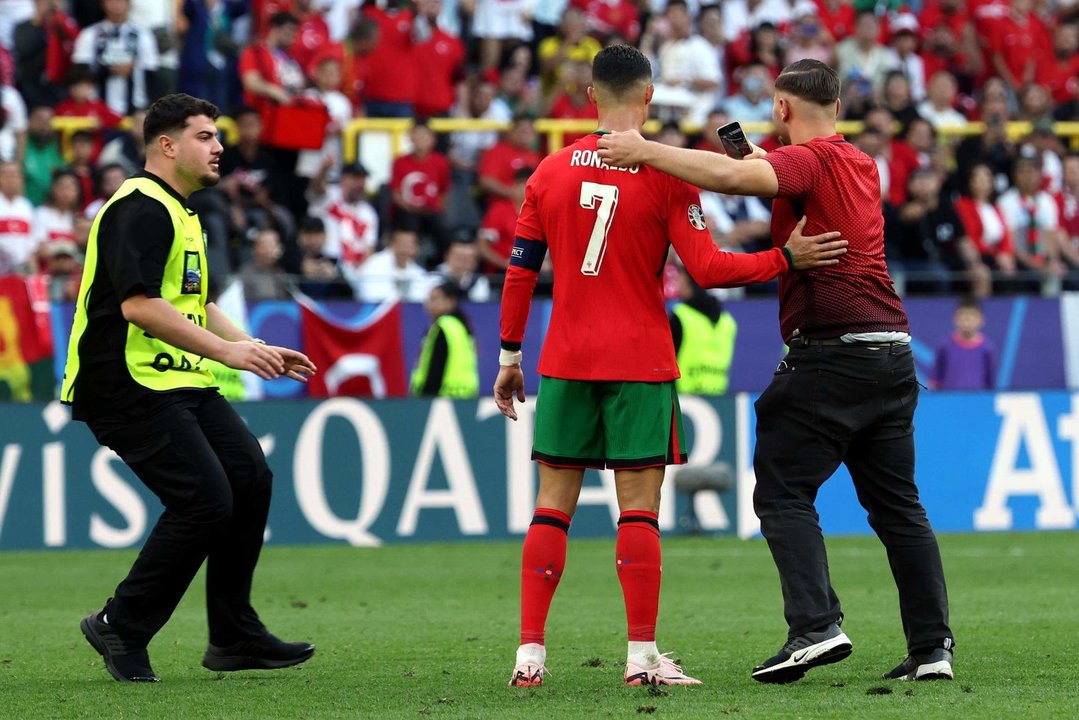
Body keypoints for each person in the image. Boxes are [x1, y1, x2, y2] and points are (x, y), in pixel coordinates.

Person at [494, 45, 847, 689]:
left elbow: (520, 271)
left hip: (567, 359)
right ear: (649, 96)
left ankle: (530, 656)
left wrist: (510, 355)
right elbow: (710, 270)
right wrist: (785, 261)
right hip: (640, 361)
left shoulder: (547, 173)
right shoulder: (667, 173)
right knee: (638, 513)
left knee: (551, 509)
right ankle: (641, 658)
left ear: (591, 96)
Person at [598, 58, 955, 684]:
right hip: (892, 352)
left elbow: (731, 180)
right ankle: (932, 650)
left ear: (783, 108)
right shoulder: (859, 163)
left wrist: (645, 150)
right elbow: (777, 175)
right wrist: (757, 157)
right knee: (901, 510)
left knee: (783, 491)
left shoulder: (806, 161)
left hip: (832, 353)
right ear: (839, 107)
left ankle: (816, 627)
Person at [61, 93, 317, 683]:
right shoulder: (140, 206)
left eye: (217, 135)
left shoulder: (182, 213)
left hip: (173, 379)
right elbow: (139, 306)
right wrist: (229, 353)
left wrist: (252, 344)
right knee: (205, 500)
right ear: (167, 145)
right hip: (124, 380)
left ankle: (233, 635)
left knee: (248, 475)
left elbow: (194, 302)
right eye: (205, 136)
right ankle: (120, 623)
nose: (219, 146)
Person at [668, 265, 737, 395]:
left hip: (683, 398)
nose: (677, 281)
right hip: (718, 397)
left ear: (688, 280)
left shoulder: (679, 316)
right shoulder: (728, 322)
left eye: (680, 276)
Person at [411, 281, 479, 397]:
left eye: (434, 299)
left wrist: (426, 397)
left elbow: (436, 367)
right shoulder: (461, 327)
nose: (429, 304)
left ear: (450, 302)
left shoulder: (443, 326)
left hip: (442, 398)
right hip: (466, 396)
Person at [932, 298, 996, 391]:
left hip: (977, 401)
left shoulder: (987, 348)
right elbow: (936, 379)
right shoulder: (944, 346)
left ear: (981, 320)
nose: (967, 320)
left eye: (972, 316)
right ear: (955, 318)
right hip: (949, 401)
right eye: (963, 316)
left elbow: (990, 382)